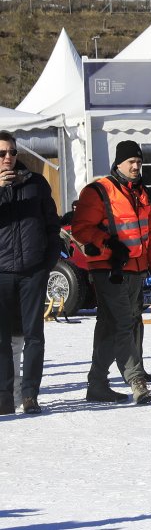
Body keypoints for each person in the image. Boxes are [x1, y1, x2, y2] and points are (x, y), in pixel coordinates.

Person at [72, 141, 151, 406]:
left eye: (139, 162)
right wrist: (108, 243)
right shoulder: (99, 191)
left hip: (137, 270)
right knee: (124, 323)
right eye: (131, 162)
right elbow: (81, 228)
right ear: (118, 163)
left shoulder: (146, 195)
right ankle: (137, 381)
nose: (136, 166)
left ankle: (97, 384)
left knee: (111, 326)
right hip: (109, 269)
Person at [0, 131, 59, 415]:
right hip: (1, 272)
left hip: (33, 270)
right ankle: (4, 397)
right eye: (1, 153)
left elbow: (51, 223)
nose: (8, 158)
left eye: (12, 152)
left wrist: (47, 261)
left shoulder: (35, 182)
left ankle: (30, 395)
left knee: (34, 335)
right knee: (2, 338)